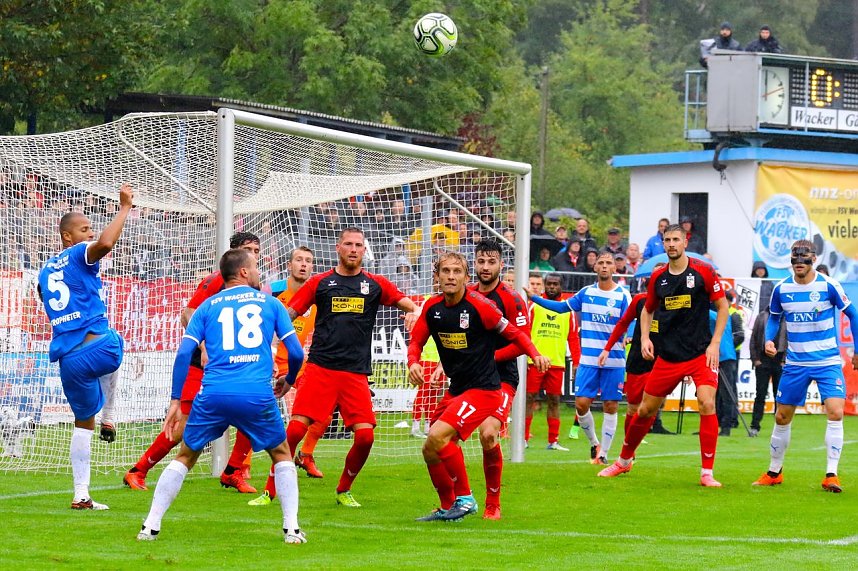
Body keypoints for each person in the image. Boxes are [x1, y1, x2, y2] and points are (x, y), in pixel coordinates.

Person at [136, 248, 307, 543]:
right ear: (242, 272)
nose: (257, 271)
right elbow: (295, 352)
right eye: (254, 266)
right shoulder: (271, 304)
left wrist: (176, 400)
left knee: (186, 455)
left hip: (213, 393)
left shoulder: (207, 307)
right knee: (281, 454)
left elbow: (183, 354)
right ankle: (291, 529)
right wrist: (289, 381)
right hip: (255, 393)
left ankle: (150, 526)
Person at [407, 252, 549, 522]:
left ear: (465, 277)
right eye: (445, 271)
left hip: (487, 387)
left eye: (456, 271)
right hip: (458, 386)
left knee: (462, 435)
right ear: (436, 275)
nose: (451, 276)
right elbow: (416, 341)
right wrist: (413, 361)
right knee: (429, 447)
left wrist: (535, 354)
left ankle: (472, 499)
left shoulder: (483, 305)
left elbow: (516, 334)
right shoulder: (432, 307)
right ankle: (450, 507)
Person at [285, 226, 418, 508]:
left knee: (366, 436)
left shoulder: (375, 284)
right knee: (295, 430)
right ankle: (272, 488)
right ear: (338, 248)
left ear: (364, 250)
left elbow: (407, 303)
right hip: (320, 369)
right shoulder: (320, 282)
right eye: (348, 244)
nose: (354, 249)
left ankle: (344, 488)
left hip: (355, 373)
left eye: (359, 244)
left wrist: (416, 313)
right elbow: (290, 313)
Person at [123, 232, 263, 493]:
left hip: (234, 367)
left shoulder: (255, 287)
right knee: (184, 426)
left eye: (256, 250)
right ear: (233, 254)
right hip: (201, 366)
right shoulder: (217, 280)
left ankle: (233, 470)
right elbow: (187, 313)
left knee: (252, 412)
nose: (254, 254)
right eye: (248, 249)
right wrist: (204, 345)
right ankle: (138, 470)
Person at [598, 224, 728, 487]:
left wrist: (714, 344)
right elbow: (647, 311)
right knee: (645, 410)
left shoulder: (703, 271)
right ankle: (623, 461)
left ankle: (707, 473)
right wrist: (645, 338)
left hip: (699, 354)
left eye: (676, 239)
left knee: (707, 403)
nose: (671, 244)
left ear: (685, 242)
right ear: (663, 243)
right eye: (667, 240)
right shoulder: (659, 278)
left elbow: (723, 306)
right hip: (668, 357)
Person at [37, 183, 133, 510]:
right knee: (118, 343)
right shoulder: (77, 253)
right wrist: (124, 208)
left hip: (68, 359)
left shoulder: (45, 270)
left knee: (82, 423)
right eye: (84, 228)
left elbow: (48, 301)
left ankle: (81, 494)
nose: (90, 232)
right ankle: (111, 416)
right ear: (67, 236)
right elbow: (106, 243)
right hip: (99, 348)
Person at [752, 240, 858, 493]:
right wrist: (769, 338)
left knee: (835, 412)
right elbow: (775, 319)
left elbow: (853, 314)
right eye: (795, 257)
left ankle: (831, 475)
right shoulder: (781, 289)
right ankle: (774, 472)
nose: (800, 261)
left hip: (827, 362)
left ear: (814, 257)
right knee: (781, 416)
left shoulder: (828, 285)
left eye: (805, 257)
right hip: (796, 363)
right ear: (790, 259)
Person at [528, 252, 630, 465]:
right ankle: (594, 443)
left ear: (614, 268)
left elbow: (633, 319)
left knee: (610, 405)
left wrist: (630, 334)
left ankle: (603, 455)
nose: (604, 266)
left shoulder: (623, 295)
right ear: (595, 268)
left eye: (608, 263)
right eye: (600, 263)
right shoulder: (586, 293)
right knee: (581, 404)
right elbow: (561, 307)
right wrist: (535, 298)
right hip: (589, 360)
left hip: (614, 359)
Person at [468, 239, 540, 520]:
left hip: (501, 376)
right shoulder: (465, 293)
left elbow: (522, 343)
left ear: (501, 264)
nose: (485, 267)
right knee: (438, 439)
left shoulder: (511, 298)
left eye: (491, 262)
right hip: (468, 375)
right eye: (481, 261)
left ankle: (492, 503)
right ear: (474, 262)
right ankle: (456, 499)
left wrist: (488, 358)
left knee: (488, 434)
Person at [249, 246, 326, 506]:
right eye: (299, 260)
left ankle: (306, 454)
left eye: (308, 261)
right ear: (289, 264)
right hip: (271, 363)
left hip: (301, 365)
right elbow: (257, 325)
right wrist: (268, 354)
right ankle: (242, 467)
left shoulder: (317, 295)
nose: (303, 265)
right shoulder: (274, 290)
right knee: (257, 414)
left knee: (323, 411)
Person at [526, 273, 577, 449]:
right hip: (535, 361)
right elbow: (525, 333)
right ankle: (523, 438)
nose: (552, 287)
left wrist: (576, 362)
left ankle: (553, 441)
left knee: (554, 400)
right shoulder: (534, 306)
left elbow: (573, 338)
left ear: (561, 286)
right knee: (528, 398)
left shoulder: (567, 309)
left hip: (556, 362)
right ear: (544, 285)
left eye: (555, 284)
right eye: (549, 284)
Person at [748, 307, 785, 437]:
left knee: (779, 396)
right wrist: (755, 359)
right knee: (760, 394)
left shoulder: (785, 316)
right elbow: (754, 339)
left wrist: (784, 360)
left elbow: (790, 339)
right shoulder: (762, 316)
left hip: (779, 359)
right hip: (763, 360)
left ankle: (780, 427)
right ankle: (755, 426)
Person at [712, 304, 738, 437]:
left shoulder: (713, 315)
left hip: (724, 357)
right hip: (722, 356)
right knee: (715, 394)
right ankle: (715, 426)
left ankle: (726, 426)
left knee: (726, 394)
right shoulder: (721, 315)